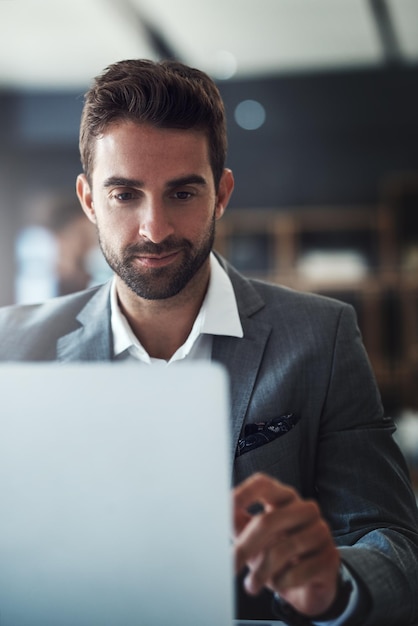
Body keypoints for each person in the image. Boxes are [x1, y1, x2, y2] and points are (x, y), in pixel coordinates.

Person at [0, 59, 417, 626]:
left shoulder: (323, 336)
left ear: (221, 193)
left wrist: (335, 585)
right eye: (125, 195)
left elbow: (393, 543)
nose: (155, 229)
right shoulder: (13, 348)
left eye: (182, 193)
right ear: (89, 199)